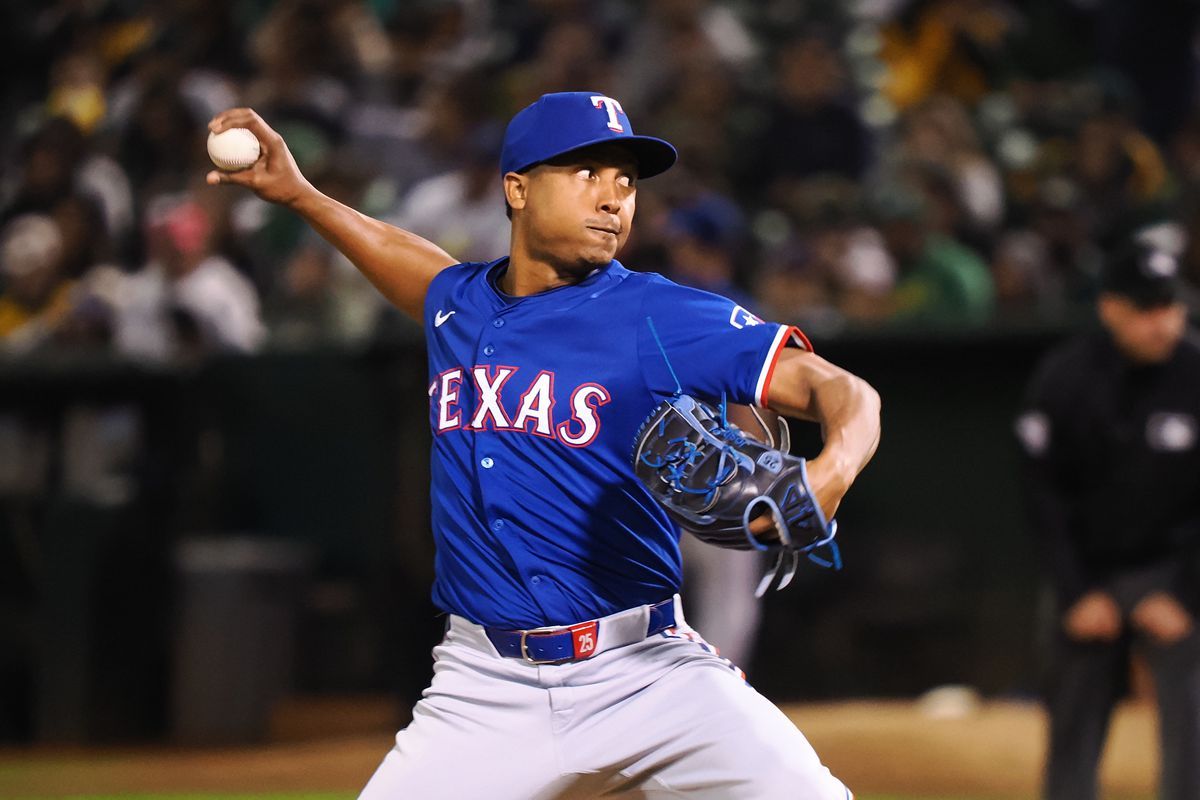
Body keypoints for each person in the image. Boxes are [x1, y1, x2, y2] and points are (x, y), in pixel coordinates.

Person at [207, 91, 880, 799]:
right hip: (482, 690)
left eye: (626, 181)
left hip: (649, 675)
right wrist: (302, 195)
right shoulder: (458, 309)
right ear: (517, 189)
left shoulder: (659, 313)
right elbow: (414, 266)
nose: (613, 198)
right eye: (587, 173)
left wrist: (832, 466)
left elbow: (844, 391)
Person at [1016, 240, 1200, 800]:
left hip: (1174, 573)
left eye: (1170, 305)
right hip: (1087, 572)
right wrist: (1078, 592)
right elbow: (1043, 496)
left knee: (1193, 728)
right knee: (1071, 731)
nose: (1161, 322)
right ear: (1110, 308)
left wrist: (1186, 594)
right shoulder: (1066, 378)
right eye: (1145, 308)